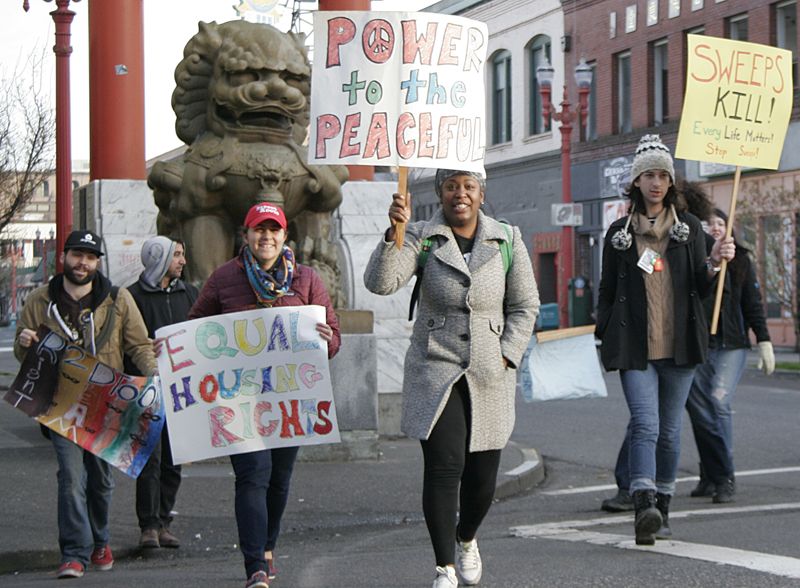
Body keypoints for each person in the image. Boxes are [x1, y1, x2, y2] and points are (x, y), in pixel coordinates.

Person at [364, 169, 539, 588]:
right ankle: (444, 567)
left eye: (468, 186)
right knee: (445, 466)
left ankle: (467, 538)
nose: (459, 194)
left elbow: (525, 305)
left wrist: (507, 356)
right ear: (439, 192)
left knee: (481, 480)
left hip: (489, 371)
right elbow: (381, 283)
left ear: (481, 193)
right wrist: (394, 234)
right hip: (434, 367)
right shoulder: (421, 234)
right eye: (450, 186)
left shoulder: (507, 239)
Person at [186, 203, 340, 588]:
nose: (266, 237)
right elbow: (194, 330)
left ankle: (268, 546)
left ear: (284, 236)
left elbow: (334, 336)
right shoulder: (223, 279)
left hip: (290, 400)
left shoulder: (306, 280)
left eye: (274, 230)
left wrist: (327, 339)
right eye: (259, 230)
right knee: (252, 476)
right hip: (238, 399)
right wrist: (174, 348)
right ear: (246, 235)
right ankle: (255, 564)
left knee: (280, 479)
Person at [596, 135, 735, 545]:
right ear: (636, 182)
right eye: (648, 175)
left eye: (663, 175)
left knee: (671, 431)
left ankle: (665, 510)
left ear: (671, 183)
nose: (656, 183)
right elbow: (606, 291)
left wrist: (714, 262)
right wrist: (605, 331)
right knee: (645, 425)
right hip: (636, 348)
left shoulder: (690, 229)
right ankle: (643, 506)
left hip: (680, 348)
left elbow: (702, 287)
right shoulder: (619, 233)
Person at [14, 230, 158, 579]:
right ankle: (74, 553)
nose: (83, 263)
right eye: (77, 255)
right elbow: (25, 355)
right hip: (59, 403)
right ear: (63, 257)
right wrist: (23, 343)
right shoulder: (39, 300)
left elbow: (138, 345)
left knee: (102, 479)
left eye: (90, 257)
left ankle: (100, 540)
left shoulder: (118, 299)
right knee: (70, 476)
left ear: (97, 262)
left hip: (107, 404)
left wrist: (155, 378)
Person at [686, 208, 774, 502]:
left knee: (718, 401)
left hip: (730, 344)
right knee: (700, 412)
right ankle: (709, 473)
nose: (714, 227)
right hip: (699, 344)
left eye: (720, 223)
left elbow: (753, 303)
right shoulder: (696, 258)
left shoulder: (741, 261)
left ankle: (726, 475)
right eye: (709, 223)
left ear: (729, 229)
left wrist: (764, 340)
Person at [124, 236, 199, 549]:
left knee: (173, 459)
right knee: (149, 461)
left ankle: (165, 520)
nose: (183, 261)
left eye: (182, 254)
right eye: (176, 255)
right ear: (159, 259)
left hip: (181, 389)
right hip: (145, 390)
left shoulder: (190, 293)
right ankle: (149, 526)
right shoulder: (131, 296)